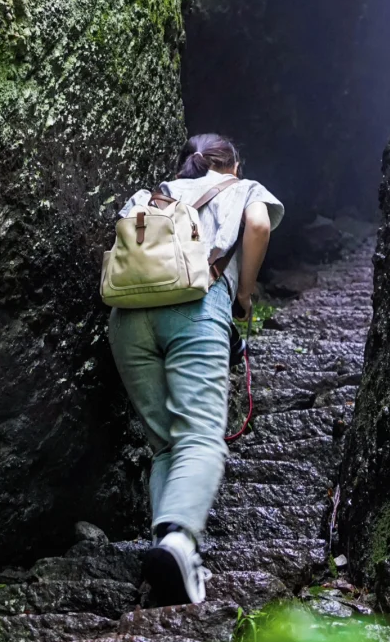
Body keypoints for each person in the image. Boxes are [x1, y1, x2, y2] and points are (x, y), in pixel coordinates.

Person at [108, 133, 284, 606]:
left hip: (127, 320)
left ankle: (167, 545)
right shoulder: (242, 189)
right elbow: (259, 226)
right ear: (235, 164)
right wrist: (244, 292)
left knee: (166, 442)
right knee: (202, 436)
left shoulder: (152, 194)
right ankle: (181, 543)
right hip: (196, 308)